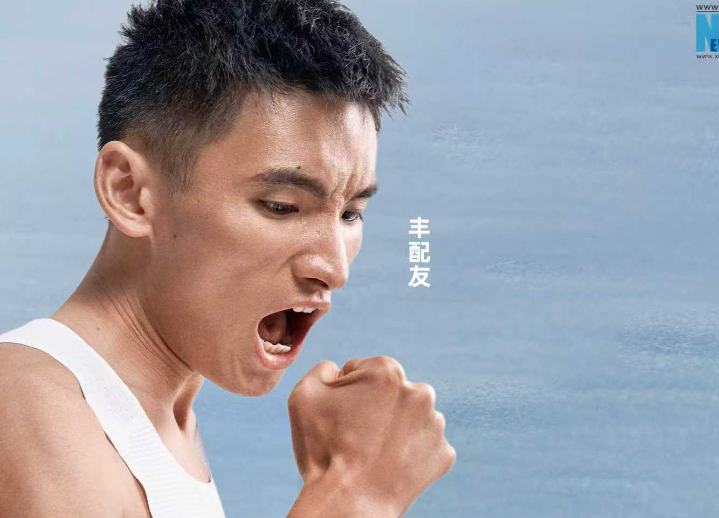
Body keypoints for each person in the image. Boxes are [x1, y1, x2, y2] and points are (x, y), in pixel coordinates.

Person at [0, 0, 455, 516]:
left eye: (351, 213)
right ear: (129, 192)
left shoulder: (165, 428)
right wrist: (355, 491)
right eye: (281, 206)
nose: (334, 268)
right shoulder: (28, 410)